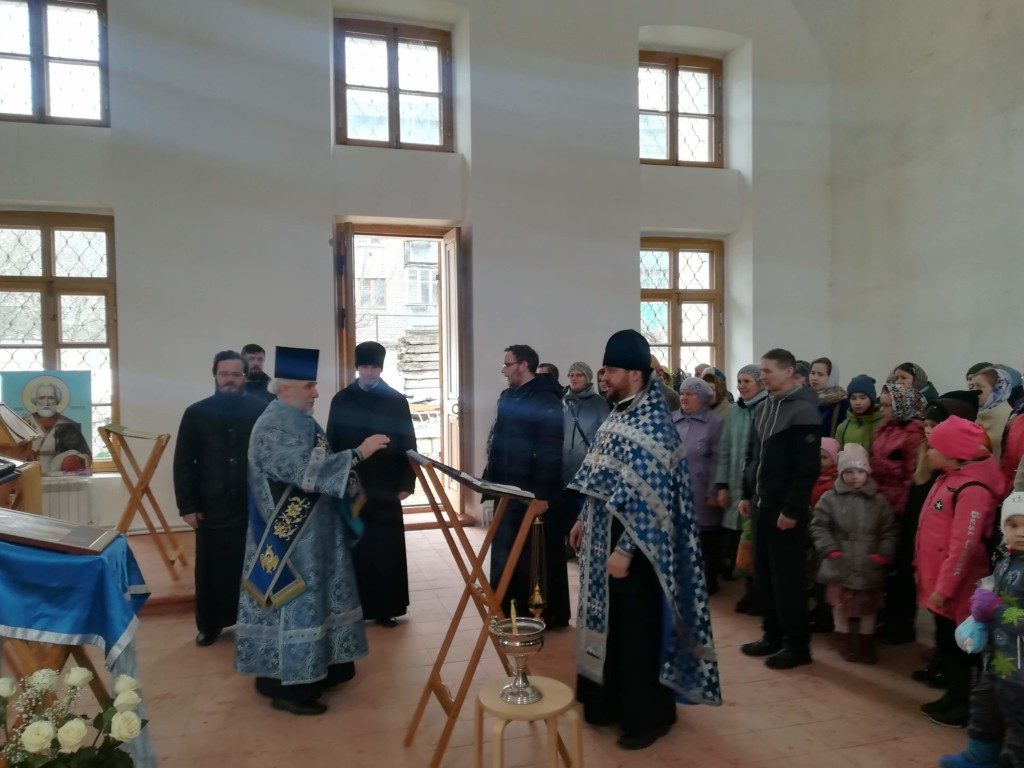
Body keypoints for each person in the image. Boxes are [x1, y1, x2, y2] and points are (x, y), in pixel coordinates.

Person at [569, 329, 720, 750]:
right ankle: (607, 704)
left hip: (639, 549)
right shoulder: (619, 414)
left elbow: (652, 499)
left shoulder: (655, 426)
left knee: (637, 633)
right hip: (603, 535)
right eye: (602, 370)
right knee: (611, 624)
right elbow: (601, 477)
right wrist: (583, 518)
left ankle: (648, 717)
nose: (603, 376)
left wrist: (625, 550)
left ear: (635, 374)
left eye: (610, 370)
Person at [235, 346, 389, 716]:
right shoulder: (272, 426)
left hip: (316, 535)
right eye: (309, 386)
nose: (316, 393)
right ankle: (290, 689)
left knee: (319, 602)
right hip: (288, 542)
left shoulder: (300, 419)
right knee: (294, 605)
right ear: (285, 388)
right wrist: (359, 453)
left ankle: (325, 669)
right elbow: (304, 472)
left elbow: (319, 463)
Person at [173, 350, 268, 647]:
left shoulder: (261, 410)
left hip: (251, 505)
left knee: (251, 567)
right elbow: (183, 463)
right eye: (224, 374)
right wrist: (187, 506)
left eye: (236, 375)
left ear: (245, 377)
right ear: (215, 375)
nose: (229, 380)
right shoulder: (196, 413)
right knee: (210, 570)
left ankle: (255, 621)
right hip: (211, 505)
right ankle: (210, 625)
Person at [915, 416, 1003, 727]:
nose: (928, 453)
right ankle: (953, 695)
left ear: (953, 452)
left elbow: (964, 547)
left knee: (962, 648)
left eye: (933, 447)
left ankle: (965, 705)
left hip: (959, 587)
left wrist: (945, 588)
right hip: (939, 581)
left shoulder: (972, 488)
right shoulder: (950, 477)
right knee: (946, 642)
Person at [739, 348, 821, 669]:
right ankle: (771, 635)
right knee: (764, 575)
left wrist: (792, 509)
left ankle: (796, 645)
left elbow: (807, 468)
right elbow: (752, 455)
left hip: (784, 510)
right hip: (761, 504)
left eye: (768, 371)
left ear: (788, 372)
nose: (763, 377)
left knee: (787, 580)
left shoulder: (803, 410)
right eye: (761, 371)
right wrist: (746, 493)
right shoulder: (764, 407)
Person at [326, 341, 417, 628]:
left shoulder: (396, 400)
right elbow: (332, 442)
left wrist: (407, 482)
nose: (369, 372)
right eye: (364, 366)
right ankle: (355, 608)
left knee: (386, 548)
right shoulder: (342, 400)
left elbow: (409, 442)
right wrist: (334, 479)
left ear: (381, 368)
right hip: (353, 483)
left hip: (387, 484)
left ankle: (387, 607)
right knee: (356, 545)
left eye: (374, 367)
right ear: (357, 368)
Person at [483, 344, 567, 627]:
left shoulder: (546, 399)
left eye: (507, 365)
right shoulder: (508, 396)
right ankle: (506, 607)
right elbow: (498, 440)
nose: (504, 370)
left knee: (535, 554)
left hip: (533, 492)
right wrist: (490, 481)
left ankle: (541, 615)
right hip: (507, 489)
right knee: (507, 550)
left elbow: (550, 450)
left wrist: (542, 494)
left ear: (523, 365)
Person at [938, 491, 1024, 768]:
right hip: (997, 660)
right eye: (1013, 525)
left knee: (1020, 725)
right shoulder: (1005, 561)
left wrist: (995, 608)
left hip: (1021, 672)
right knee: (985, 708)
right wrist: (979, 618)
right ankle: (980, 758)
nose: (1020, 532)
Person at [810, 443, 898, 664]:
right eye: (849, 471)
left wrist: (884, 553)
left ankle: (866, 640)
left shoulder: (879, 501)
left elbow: (889, 530)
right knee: (840, 604)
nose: (855, 476)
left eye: (860, 471)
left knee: (869, 606)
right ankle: (843, 636)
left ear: (867, 472)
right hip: (839, 561)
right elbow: (819, 525)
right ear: (841, 472)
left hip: (869, 563)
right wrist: (829, 548)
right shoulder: (830, 498)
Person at [871, 382, 927, 643]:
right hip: (881, 505)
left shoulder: (914, 434)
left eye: (887, 405)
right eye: (881, 404)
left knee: (901, 569)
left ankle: (901, 624)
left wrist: (901, 507)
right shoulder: (885, 428)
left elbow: (913, 476)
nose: (882, 410)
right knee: (885, 565)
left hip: (902, 509)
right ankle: (886, 616)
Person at [715, 364, 768, 613]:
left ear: (760, 383)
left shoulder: (767, 408)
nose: (741, 386)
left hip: (757, 486)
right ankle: (750, 589)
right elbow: (724, 451)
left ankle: (760, 593)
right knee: (743, 542)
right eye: (739, 381)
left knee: (757, 542)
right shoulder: (735, 412)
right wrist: (722, 484)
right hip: (737, 486)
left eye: (747, 381)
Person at [673, 377, 724, 593]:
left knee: (704, 537)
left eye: (690, 394)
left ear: (702, 397)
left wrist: (714, 489)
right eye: (682, 393)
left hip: (702, 489)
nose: (684, 397)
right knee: (678, 535)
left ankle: (706, 581)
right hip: (676, 489)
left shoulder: (714, 423)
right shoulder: (672, 420)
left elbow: (719, 458)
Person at [561, 362, 610, 535]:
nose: (574, 378)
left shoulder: (599, 403)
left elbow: (606, 436)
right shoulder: (563, 402)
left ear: (587, 378)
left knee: (585, 517)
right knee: (565, 516)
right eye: (571, 374)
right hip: (563, 469)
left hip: (587, 469)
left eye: (579, 375)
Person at [27, 381, 92, 474]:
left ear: (57, 400)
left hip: (59, 479)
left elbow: (84, 455)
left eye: (51, 398)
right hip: (29, 477)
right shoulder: (23, 423)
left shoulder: (68, 425)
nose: (46, 402)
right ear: (35, 400)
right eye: (41, 398)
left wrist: (72, 459)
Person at [971, 367, 1013, 462]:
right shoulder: (977, 415)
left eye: (980, 386)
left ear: (997, 388)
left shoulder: (1010, 418)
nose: (974, 391)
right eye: (972, 387)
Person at [835, 374, 883, 451]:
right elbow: (837, 454)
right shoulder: (843, 427)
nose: (858, 402)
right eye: (853, 398)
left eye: (863, 398)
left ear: (872, 398)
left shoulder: (883, 424)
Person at [809, 357, 849, 438]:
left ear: (831, 377)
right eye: (812, 373)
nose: (814, 378)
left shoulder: (841, 403)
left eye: (820, 374)